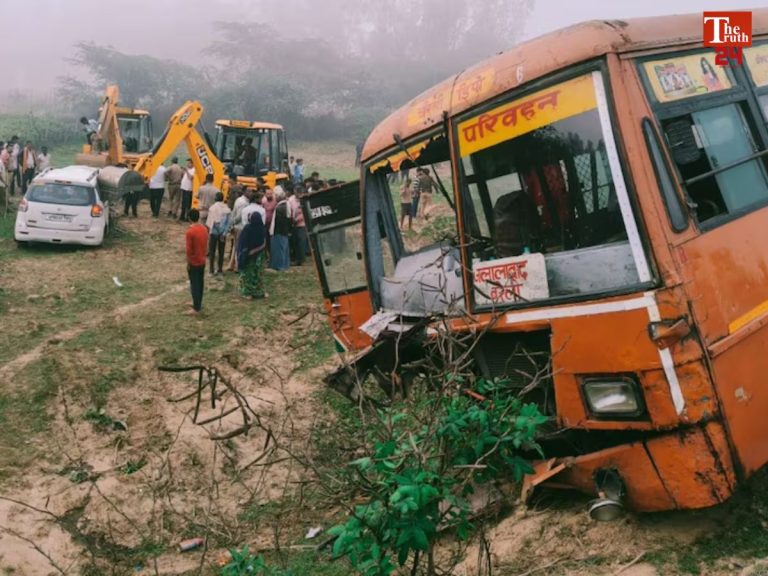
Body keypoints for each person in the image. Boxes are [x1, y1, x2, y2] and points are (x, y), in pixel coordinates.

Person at [237, 211, 268, 299]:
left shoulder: (248, 228)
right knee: (258, 274)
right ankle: (259, 292)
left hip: (248, 256)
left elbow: (242, 242)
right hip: (259, 256)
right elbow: (264, 242)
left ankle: (247, 292)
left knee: (247, 274)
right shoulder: (262, 228)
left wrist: (246, 253)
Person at [185, 208, 209, 315]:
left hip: (194, 261)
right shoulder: (204, 229)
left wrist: (188, 262)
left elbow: (189, 250)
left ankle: (196, 308)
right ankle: (198, 302)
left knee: (194, 284)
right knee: (200, 282)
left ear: (189, 218)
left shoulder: (190, 232)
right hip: (202, 259)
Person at [227, 187, 252, 272]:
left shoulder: (239, 200)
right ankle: (237, 266)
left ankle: (231, 264)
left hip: (237, 226)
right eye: (249, 191)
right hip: (240, 226)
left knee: (235, 246)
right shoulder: (243, 203)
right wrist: (233, 223)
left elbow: (233, 212)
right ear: (244, 192)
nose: (251, 193)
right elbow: (239, 216)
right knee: (239, 247)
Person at [206, 192, 232, 275]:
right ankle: (220, 269)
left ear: (215, 198)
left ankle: (211, 270)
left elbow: (211, 222)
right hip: (223, 233)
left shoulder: (212, 208)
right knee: (221, 251)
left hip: (214, 232)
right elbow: (228, 223)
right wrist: (223, 232)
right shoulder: (227, 208)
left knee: (212, 251)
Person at [270, 189, 291, 270]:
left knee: (279, 249)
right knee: (284, 249)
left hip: (278, 231)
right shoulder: (286, 205)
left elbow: (278, 222)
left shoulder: (280, 207)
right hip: (284, 231)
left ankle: (279, 266)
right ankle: (284, 265)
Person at [288, 187, 309, 265]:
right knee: (295, 241)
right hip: (293, 224)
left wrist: (298, 219)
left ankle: (301, 259)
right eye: (297, 193)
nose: (298, 195)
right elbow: (289, 210)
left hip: (302, 224)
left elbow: (306, 211)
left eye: (300, 193)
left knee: (301, 241)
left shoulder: (304, 199)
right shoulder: (291, 200)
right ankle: (296, 258)